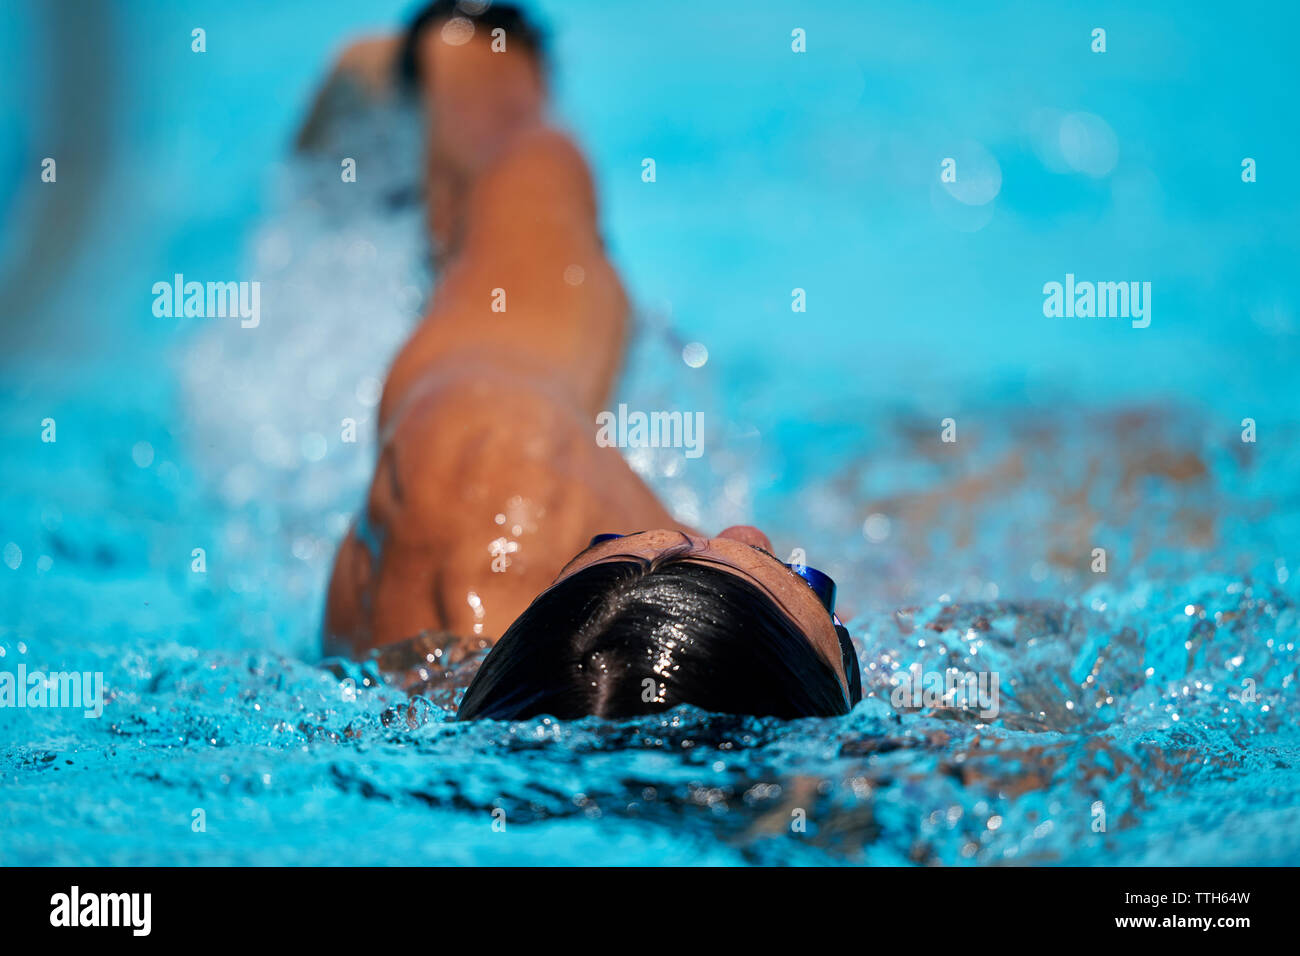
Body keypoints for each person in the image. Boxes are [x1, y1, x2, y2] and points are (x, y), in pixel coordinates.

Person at [320, 1, 861, 720]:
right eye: (806, 580)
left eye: (608, 546)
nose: (744, 532)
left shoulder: (487, 481)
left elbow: (518, 166)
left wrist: (473, 47)